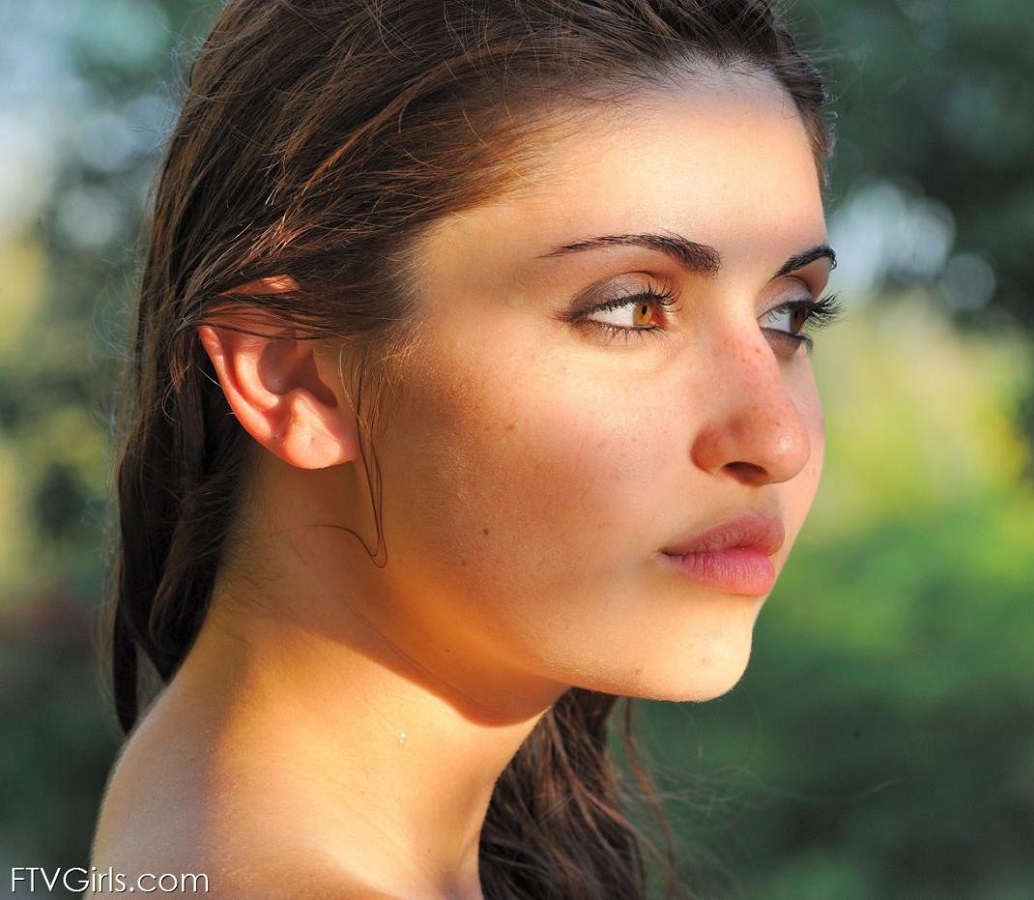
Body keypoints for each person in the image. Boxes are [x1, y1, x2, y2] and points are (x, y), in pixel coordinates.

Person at [90, 0, 838, 896]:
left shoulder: (182, 821)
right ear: (292, 376)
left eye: (787, 315)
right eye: (631, 307)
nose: (777, 439)